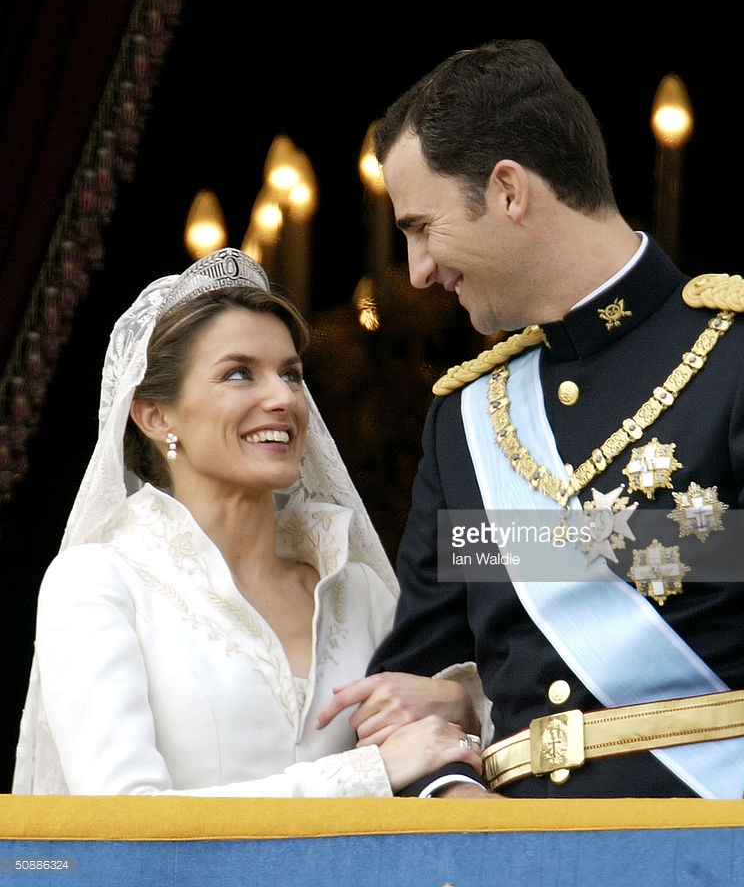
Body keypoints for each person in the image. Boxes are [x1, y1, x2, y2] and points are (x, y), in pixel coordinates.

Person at [321, 38, 744, 799]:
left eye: (421, 227)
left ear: (508, 190)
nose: (418, 271)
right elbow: (412, 686)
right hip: (512, 849)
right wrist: (451, 794)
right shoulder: (467, 421)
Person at [12, 247, 481, 796]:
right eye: (239, 373)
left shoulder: (357, 590)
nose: (283, 397)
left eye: (291, 374)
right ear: (155, 416)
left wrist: (461, 707)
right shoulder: (96, 583)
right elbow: (124, 820)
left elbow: (448, 761)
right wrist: (367, 774)